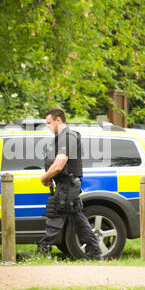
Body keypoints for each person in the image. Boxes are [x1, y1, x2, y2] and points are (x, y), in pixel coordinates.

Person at [36, 109, 102, 260]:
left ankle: (42, 252)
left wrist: (44, 178)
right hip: (65, 184)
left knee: (55, 214)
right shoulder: (61, 138)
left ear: (58, 120)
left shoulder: (67, 136)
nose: (48, 127)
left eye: (49, 123)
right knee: (78, 219)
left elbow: (59, 164)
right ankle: (94, 253)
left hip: (68, 185)